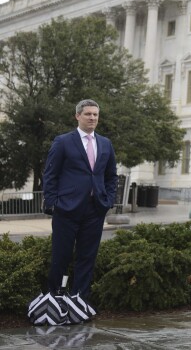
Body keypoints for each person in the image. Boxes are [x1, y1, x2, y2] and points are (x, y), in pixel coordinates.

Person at [42, 99, 118, 301]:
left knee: (87, 258)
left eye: (95, 114)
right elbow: (50, 175)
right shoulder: (63, 141)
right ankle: (54, 299)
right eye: (88, 114)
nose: (92, 117)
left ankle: (80, 300)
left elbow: (111, 176)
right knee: (61, 257)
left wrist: (108, 200)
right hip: (66, 209)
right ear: (78, 116)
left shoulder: (105, 144)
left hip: (95, 210)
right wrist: (52, 203)